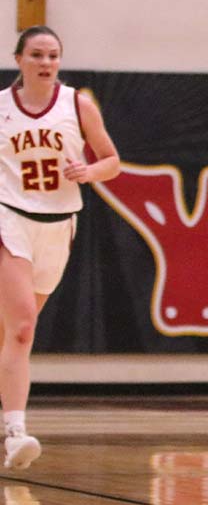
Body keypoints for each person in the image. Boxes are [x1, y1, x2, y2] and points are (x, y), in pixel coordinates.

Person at [1, 26, 121, 470]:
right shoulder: (1, 108)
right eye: (36, 54)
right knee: (22, 328)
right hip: (8, 218)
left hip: (58, 224)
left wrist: (90, 171)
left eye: (53, 55)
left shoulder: (78, 104)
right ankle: (15, 432)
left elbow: (112, 160)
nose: (46, 62)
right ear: (20, 59)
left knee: (10, 336)